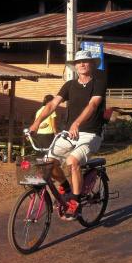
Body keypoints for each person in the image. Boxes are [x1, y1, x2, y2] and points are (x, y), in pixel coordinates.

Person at [29, 50, 106, 221]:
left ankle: (75, 203)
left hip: (91, 134)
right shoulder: (69, 85)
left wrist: (77, 123)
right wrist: (36, 122)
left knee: (72, 161)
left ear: (92, 64)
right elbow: (52, 105)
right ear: (75, 66)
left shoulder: (99, 83)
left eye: (86, 61)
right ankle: (66, 189)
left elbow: (93, 105)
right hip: (69, 134)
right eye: (79, 62)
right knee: (48, 162)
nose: (82, 64)